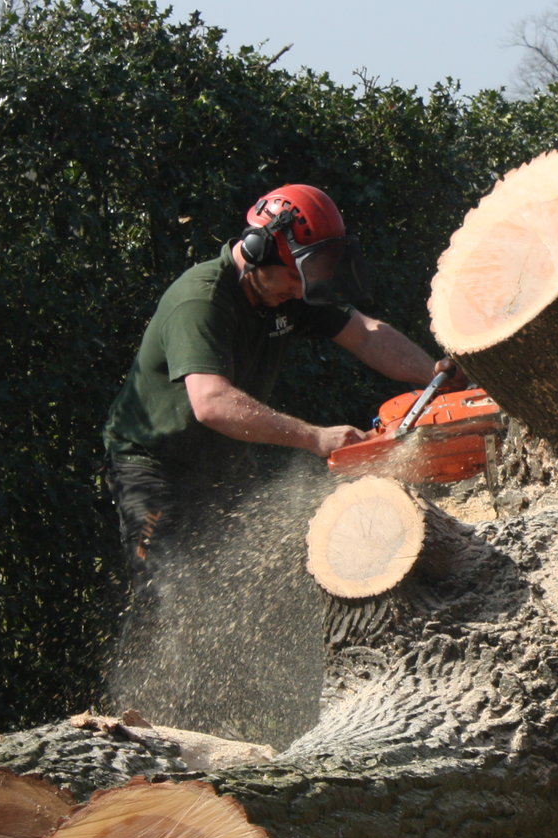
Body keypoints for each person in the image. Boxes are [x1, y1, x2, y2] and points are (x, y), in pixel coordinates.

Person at [100, 182, 455, 580]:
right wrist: (315, 437)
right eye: (293, 276)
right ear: (257, 250)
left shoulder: (286, 292)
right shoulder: (201, 302)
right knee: (163, 582)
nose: (301, 288)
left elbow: (365, 334)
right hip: (154, 465)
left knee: (245, 577)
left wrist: (436, 377)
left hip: (223, 461)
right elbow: (212, 402)